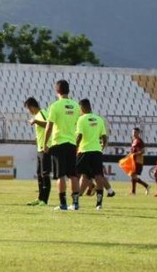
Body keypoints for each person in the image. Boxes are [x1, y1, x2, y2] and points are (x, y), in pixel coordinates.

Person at [42, 80, 81, 211]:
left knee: (60, 175)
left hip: (58, 142)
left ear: (57, 91)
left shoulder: (55, 106)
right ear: (68, 90)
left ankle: (63, 203)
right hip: (71, 143)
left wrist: (45, 143)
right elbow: (78, 125)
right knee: (73, 175)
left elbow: (49, 126)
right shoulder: (76, 106)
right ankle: (75, 204)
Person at [75, 99, 110, 210]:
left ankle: (76, 200)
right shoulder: (99, 119)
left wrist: (75, 149)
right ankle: (99, 203)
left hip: (84, 150)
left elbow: (79, 136)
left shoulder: (81, 119)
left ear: (82, 108)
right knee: (98, 175)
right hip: (96, 151)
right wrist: (101, 148)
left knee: (77, 174)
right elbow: (104, 137)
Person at [24, 98, 51, 206]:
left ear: (31, 107)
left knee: (45, 174)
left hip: (47, 147)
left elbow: (49, 124)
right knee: (39, 173)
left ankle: (45, 200)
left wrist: (35, 121)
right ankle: (40, 198)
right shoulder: (37, 115)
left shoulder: (42, 113)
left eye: (28, 109)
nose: (28, 111)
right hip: (40, 148)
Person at [128, 128, 150, 195]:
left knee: (133, 175)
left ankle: (135, 191)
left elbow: (143, 151)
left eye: (135, 132)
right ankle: (135, 191)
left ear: (138, 133)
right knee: (133, 176)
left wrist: (135, 154)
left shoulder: (139, 141)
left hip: (138, 160)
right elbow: (132, 151)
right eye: (133, 132)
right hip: (133, 160)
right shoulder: (134, 140)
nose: (134, 134)